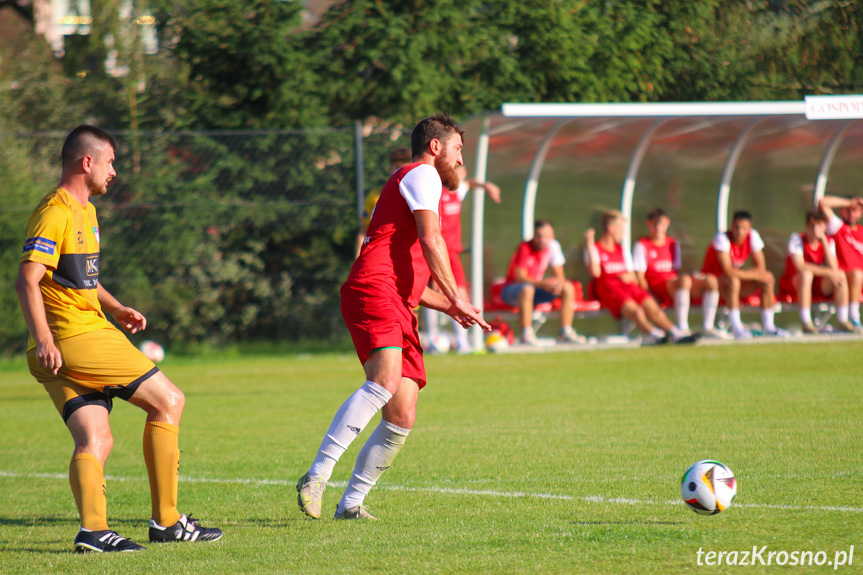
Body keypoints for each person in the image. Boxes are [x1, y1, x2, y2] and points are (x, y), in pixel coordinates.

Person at [14, 126, 222, 553]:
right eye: (109, 161)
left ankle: (93, 532)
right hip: (75, 339)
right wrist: (46, 339)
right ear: (86, 162)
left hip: (64, 345)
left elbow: (78, 279)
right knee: (169, 401)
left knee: (96, 438)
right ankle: (167, 521)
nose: (115, 171)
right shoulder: (56, 212)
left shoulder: (85, 211)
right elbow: (27, 280)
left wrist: (115, 306)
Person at [296, 114, 491, 520]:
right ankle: (316, 476)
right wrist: (457, 293)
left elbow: (413, 282)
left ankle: (350, 504)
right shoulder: (423, 174)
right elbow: (431, 238)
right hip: (374, 291)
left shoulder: (421, 186)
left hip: (397, 299)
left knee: (402, 413)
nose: (459, 160)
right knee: (383, 381)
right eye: (457, 149)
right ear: (435, 146)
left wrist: (453, 306)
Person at [585, 211, 699, 344]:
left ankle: (677, 334)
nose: (623, 233)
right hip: (610, 289)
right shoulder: (595, 249)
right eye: (621, 229)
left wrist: (629, 276)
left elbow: (633, 276)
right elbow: (596, 273)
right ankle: (657, 336)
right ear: (611, 229)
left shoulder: (622, 249)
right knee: (636, 312)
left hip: (629, 286)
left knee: (653, 309)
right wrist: (589, 244)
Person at [424, 165, 501, 353]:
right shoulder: (434, 193)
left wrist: (485, 185)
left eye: (463, 170)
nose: (462, 173)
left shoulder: (457, 193)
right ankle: (432, 338)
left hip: (453, 254)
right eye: (457, 169)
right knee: (434, 294)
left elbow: (470, 184)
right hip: (437, 252)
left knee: (461, 295)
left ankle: (462, 341)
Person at [632, 208, 725, 338]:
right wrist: (650, 298)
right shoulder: (642, 245)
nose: (658, 228)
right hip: (658, 288)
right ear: (648, 224)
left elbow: (677, 271)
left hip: (676, 287)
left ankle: (708, 326)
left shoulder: (673, 243)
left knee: (711, 280)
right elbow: (640, 278)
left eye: (661, 224)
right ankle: (683, 327)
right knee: (685, 280)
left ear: (667, 223)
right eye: (655, 225)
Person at [700, 210, 787, 339]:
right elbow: (728, 271)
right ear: (731, 226)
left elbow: (761, 268)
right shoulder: (722, 238)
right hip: (715, 286)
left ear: (749, 229)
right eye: (737, 227)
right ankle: (737, 329)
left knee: (767, 278)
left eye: (744, 228)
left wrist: (757, 275)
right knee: (733, 281)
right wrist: (755, 275)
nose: (740, 232)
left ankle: (769, 327)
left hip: (735, 284)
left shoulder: (753, 236)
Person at [500, 220, 586, 346]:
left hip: (535, 290)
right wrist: (543, 284)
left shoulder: (553, 247)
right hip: (512, 290)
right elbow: (520, 277)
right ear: (534, 236)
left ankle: (565, 331)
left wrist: (555, 285)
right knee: (527, 289)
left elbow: (560, 277)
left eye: (546, 236)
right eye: (539, 236)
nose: (542, 239)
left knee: (567, 287)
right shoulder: (525, 247)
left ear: (552, 236)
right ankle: (526, 334)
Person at [778, 210, 851, 333]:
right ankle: (806, 322)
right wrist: (828, 272)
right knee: (806, 275)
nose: (815, 229)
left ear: (824, 227)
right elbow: (800, 266)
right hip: (794, 283)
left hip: (815, 284)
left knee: (841, 275)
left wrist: (823, 242)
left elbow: (834, 267)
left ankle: (843, 320)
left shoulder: (828, 242)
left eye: (819, 225)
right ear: (807, 226)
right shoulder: (797, 238)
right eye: (812, 225)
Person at [355, 148, 413, 258]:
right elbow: (363, 231)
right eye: (397, 168)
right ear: (390, 169)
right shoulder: (375, 197)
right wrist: (358, 259)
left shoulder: (418, 196)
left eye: (406, 168)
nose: (402, 171)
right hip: (382, 255)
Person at [818, 194, 863, 333]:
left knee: (857, 275)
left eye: (856, 209)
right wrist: (849, 202)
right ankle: (852, 318)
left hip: (858, 282)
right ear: (841, 211)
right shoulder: (838, 227)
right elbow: (823, 202)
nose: (852, 212)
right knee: (853, 274)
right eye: (848, 209)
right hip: (837, 280)